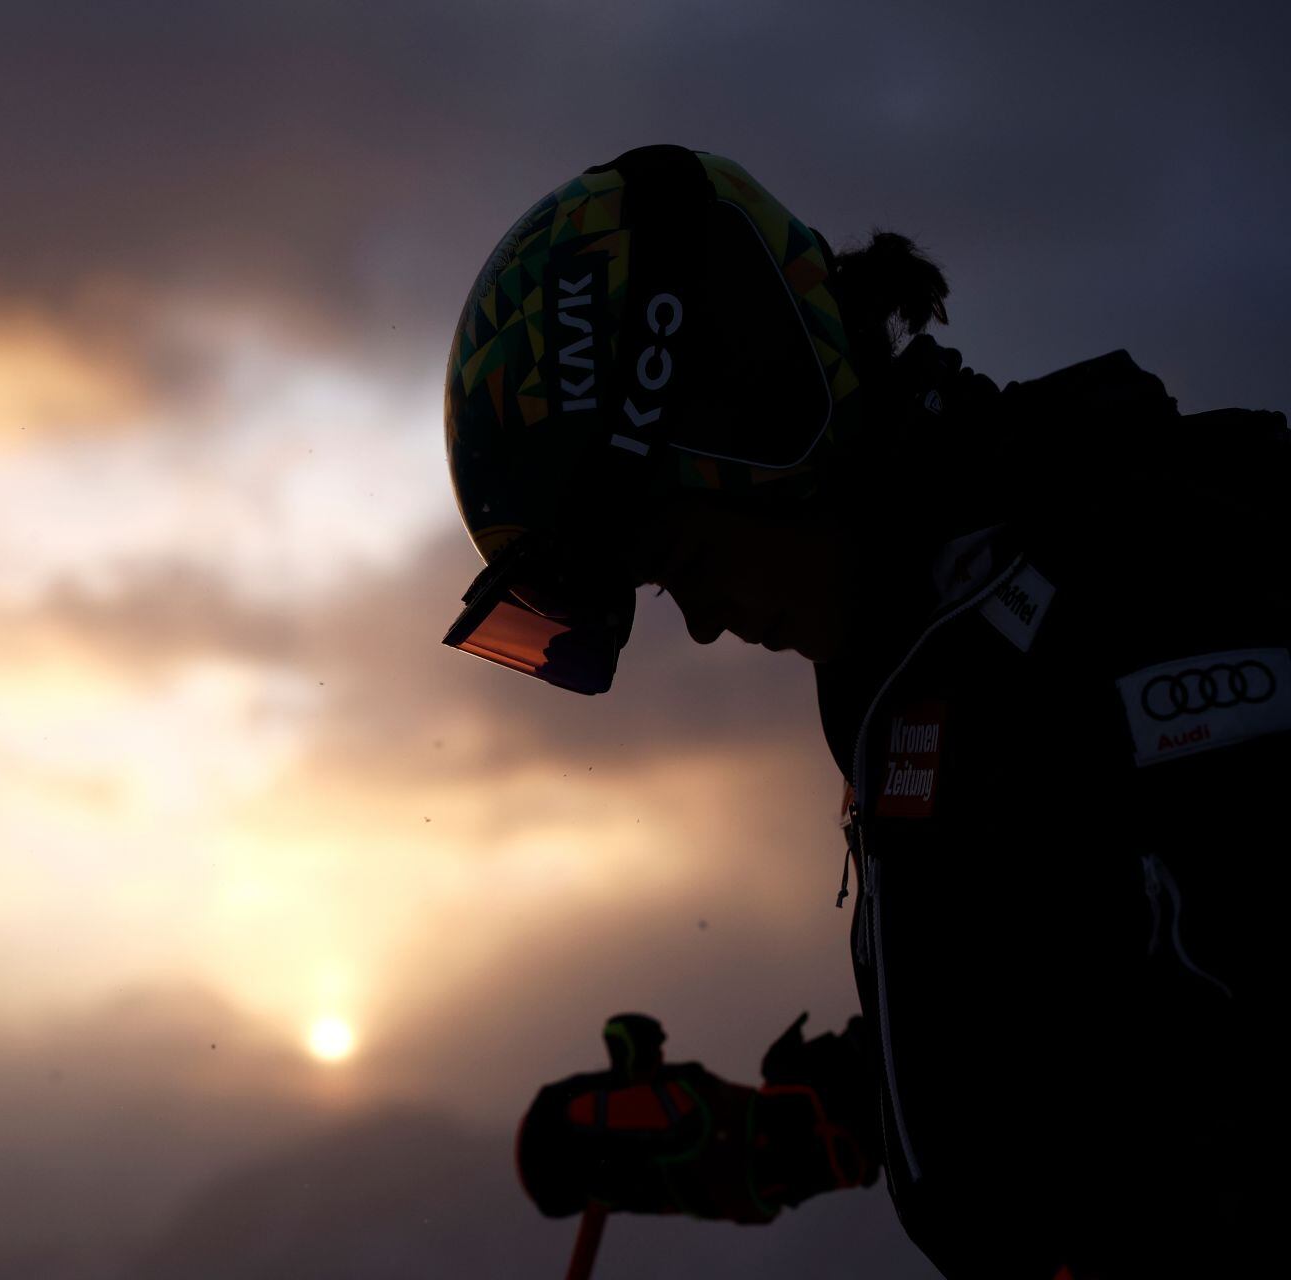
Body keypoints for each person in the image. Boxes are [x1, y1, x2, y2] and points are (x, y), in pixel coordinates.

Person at [440, 144, 1283, 1277]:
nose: (701, 624)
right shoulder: (913, 653)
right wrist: (791, 1129)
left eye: (681, 561)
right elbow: (1065, 992)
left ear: (763, 428)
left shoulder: (1136, 584)